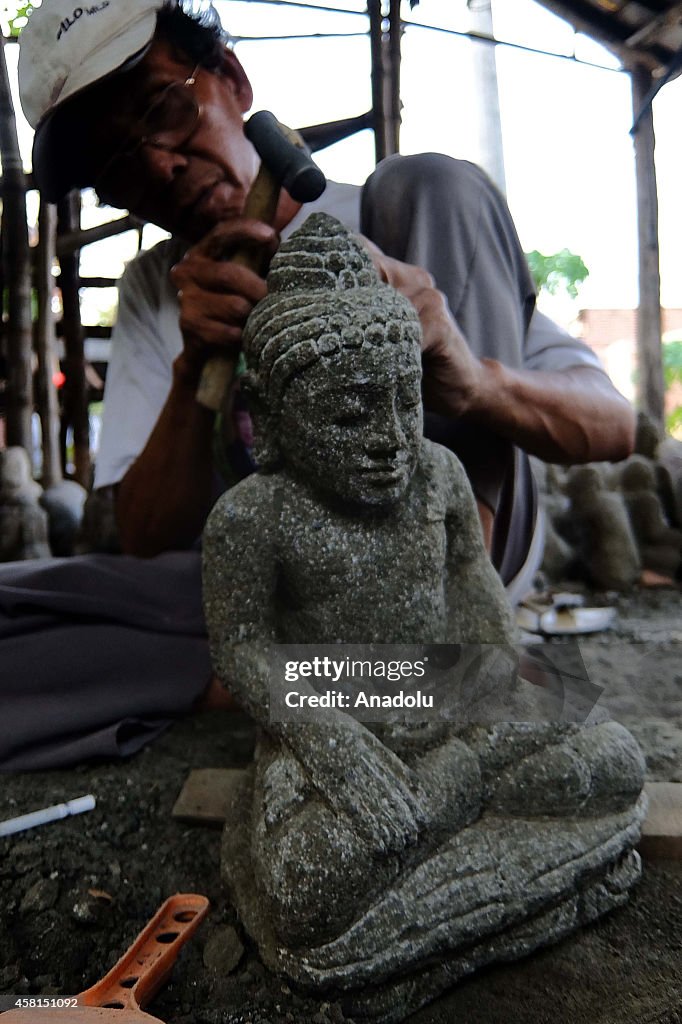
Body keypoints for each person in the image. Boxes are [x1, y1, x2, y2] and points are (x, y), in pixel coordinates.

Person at [1, 0, 634, 770]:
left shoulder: (392, 223)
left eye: (164, 110)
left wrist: (471, 382)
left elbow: (613, 425)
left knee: (435, 180)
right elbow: (146, 540)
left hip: (433, 572)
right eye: (117, 167)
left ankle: (408, 650)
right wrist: (194, 366)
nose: (158, 164)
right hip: (279, 592)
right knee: (22, 607)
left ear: (231, 80)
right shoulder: (159, 289)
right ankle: (383, 683)